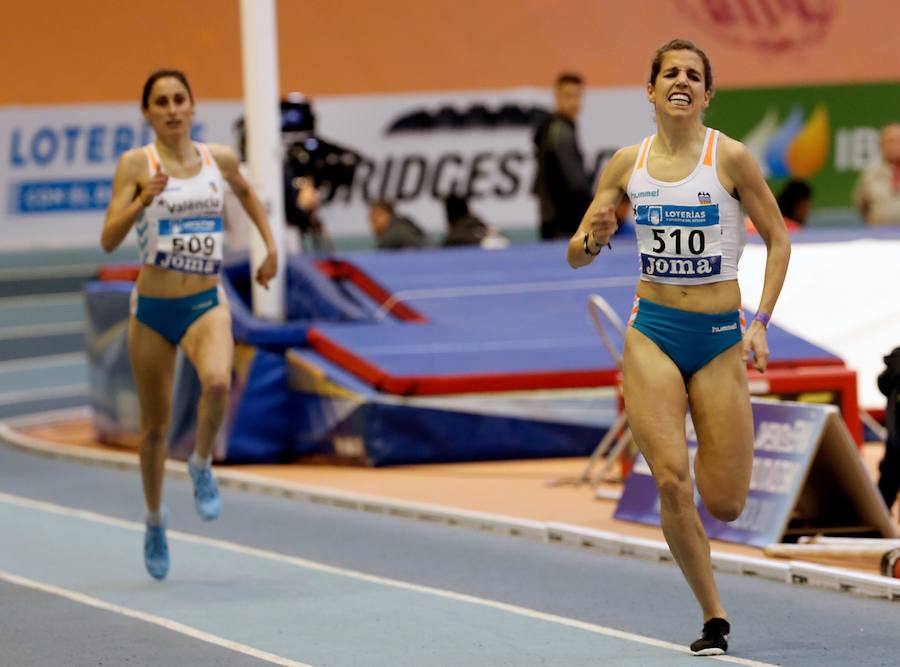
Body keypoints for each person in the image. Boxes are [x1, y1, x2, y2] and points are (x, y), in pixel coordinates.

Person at [567, 39, 790, 655]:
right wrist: (595, 236)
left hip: (719, 340)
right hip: (653, 334)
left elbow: (778, 241)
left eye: (694, 74)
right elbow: (576, 253)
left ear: (707, 94)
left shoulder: (733, 159)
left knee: (726, 501)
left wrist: (761, 321)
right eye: (671, 72)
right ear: (651, 89)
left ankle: (709, 552)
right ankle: (713, 616)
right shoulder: (624, 164)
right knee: (670, 480)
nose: (682, 81)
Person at [101, 70, 278, 580]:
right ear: (148, 113)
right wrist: (141, 199)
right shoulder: (137, 164)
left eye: (180, 99)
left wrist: (270, 248)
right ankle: (155, 518)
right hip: (154, 312)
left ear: (193, 106)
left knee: (219, 382)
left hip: (205, 302)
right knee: (154, 429)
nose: (173, 108)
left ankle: (201, 462)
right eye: (161, 102)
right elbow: (109, 238)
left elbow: (246, 194)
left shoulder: (217, 159)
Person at [533, 72, 593, 240]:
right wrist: (592, 210)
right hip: (564, 222)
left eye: (578, 96)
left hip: (555, 219)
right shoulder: (559, 130)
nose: (574, 102)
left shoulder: (555, 127)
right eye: (568, 96)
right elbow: (575, 181)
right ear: (557, 96)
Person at [853, 122, 900, 225]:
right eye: (890, 141)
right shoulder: (870, 174)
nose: (895, 146)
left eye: (898, 141)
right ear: (881, 145)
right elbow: (861, 206)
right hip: (879, 236)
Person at [746, 179, 811, 234]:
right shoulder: (795, 232)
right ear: (799, 206)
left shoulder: (749, 223)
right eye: (806, 206)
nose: (807, 211)